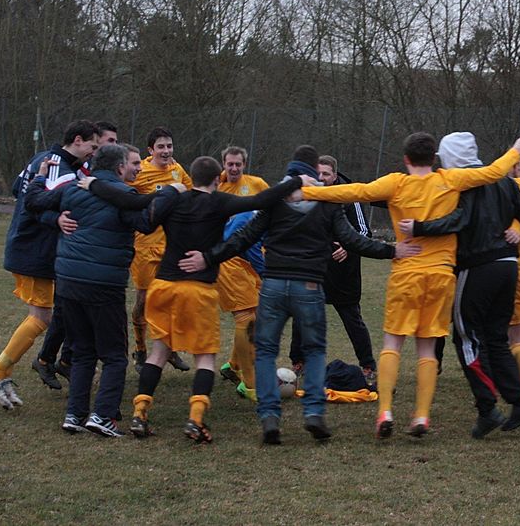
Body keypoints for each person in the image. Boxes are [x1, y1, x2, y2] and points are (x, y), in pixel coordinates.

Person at [181, 145, 419, 445]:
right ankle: (314, 413)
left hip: (274, 285)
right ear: (313, 171)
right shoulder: (327, 202)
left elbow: (244, 237)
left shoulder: (275, 200)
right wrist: (392, 250)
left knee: (266, 351)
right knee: (315, 351)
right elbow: (352, 240)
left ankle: (270, 417)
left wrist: (209, 257)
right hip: (309, 286)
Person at [300, 133, 520, 439]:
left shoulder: (396, 183)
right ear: (434, 158)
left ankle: (385, 411)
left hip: (406, 273)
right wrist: (515, 150)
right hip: (441, 276)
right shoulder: (450, 180)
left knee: (392, 343)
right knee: (427, 348)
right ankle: (421, 416)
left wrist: (307, 191)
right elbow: (492, 172)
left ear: (406, 159)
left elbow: (356, 191)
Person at [84, 155, 310, 443]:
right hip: (197, 289)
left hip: (163, 286)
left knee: (159, 352)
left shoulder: (174, 199)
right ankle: (195, 420)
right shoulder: (219, 201)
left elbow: (131, 201)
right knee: (205, 357)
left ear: (192, 176)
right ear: (217, 179)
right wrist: (296, 181)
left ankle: (140, 414)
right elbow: (261, 200)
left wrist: (93, 184)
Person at [400, 133, 520, 438]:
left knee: (467, 337)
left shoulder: (463, 183)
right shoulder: (505, 181)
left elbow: (458, 221)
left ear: (451, 157)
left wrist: (420, 227)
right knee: (496, 337)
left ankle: (487, 408)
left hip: (478, 265)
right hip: (508, 265)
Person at [24, 144, 157, 437]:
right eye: (130, 164)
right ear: (119, 168)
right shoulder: (124, 197)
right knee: (114, 354)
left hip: (68, 281)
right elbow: (147, 223)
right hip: (104, 284)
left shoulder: (71, 189)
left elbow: (33, 201)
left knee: (83, 351)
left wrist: (40, 178)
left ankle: (75, 414)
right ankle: (103, 415)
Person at [0, 120, 100, 409]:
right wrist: (55, 219)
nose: (93, 152)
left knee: (46, 315)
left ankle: (2, 373)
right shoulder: (59, 166)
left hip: (31, 246)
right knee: (41, 317)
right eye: (92, 146)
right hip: (34, 249)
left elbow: (16, 189)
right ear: (78, 140)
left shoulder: (43, 158)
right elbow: (36, 203)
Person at [32, 121, 122, 390]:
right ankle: (44, 360)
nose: (111, 146)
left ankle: (65, 361)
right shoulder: (69, 173)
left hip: (80, 260)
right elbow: (31, 202)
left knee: (71, 315)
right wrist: (56, 218)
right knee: (60, 314)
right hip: (70, 259)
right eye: (108, 141)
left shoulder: (84, 173)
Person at [288, 155, 378, 386]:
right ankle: (298, 362)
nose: (321, 177)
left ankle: (368, 365)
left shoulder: (349, 196)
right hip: (314, 269)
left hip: (343, 272)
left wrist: (348, 248)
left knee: (352, 318)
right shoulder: (308, 195)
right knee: (302, 315)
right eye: (318, 173)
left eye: (326, 174)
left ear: (335, 175)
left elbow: (365, 233)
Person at [126, 127, 193, 372]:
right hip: (145, 246)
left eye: (169, 146)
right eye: (161, 147)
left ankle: (169, 349)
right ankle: (140, 350)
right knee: (144, 301)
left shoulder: (178, 169)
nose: (166, 151)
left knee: (173, 300)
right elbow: (125, 197)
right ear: (150, 150)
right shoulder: (140, 172)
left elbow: (192, 193)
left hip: (172, 247)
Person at [214, 146, 270, 400]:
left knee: (254, 315)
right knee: (246, 317)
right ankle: (250, 383)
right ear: (223, 164)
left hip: (248, 258)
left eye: (238, 164)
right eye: (230, 164)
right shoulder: (217, 185)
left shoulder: (257, 185)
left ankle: (234, 365)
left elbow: (271, 210)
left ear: (245, 164)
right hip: (229, 258)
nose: (234, 168)